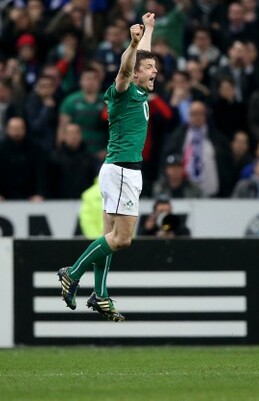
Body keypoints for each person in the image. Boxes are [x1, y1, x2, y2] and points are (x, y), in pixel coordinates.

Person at [57, 13, 157, 322]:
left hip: (119, 169)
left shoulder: (139, 89)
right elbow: (126, 68)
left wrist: (148, 30)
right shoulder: (123, 91)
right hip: (123, 171)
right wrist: (132, 44)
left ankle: (100, 294)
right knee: (122, 239)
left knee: (109, 237)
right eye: (150, 68)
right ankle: (72, 273)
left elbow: (140, 58)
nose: (155, 71)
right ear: (136, 74)